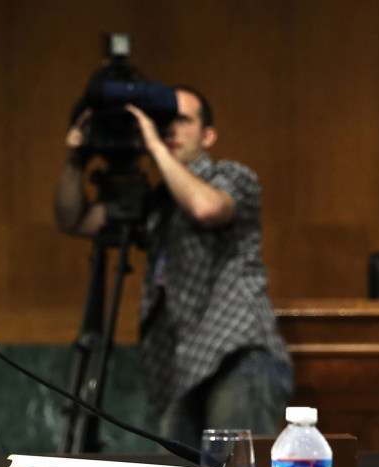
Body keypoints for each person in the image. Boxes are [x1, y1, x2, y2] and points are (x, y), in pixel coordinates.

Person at [54, 85, 293, 446]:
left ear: (208, 135)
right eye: (164, 122)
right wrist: (75, 161)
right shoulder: (157, 199)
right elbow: (75, 221)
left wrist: (154, 148)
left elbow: (206, 208)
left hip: (237, 356)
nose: (170, 130)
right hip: (181, 369)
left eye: (182, 121)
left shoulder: (232, 177)